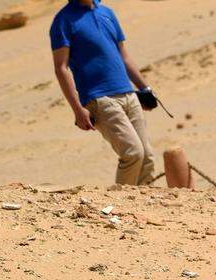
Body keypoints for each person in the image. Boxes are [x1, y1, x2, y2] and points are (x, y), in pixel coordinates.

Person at [51, 0, 158, 186]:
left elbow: (123, 56)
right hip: (99, 98)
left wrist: (144, 88)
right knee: (132, 153)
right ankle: (123, 206)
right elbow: (61, 68)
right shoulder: (63, 21)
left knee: (147, 157)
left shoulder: (107, 12)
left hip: (128, 93)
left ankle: (145, 206)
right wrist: (77, 109)